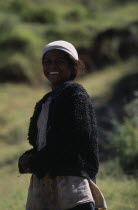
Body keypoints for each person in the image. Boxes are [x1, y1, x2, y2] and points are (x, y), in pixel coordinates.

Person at [18, 40, 107, 210]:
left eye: (59, 62)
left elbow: (75, 137)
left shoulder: (75, 93)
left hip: (71, 181)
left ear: (72, 66)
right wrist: (27, 158)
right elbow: (40, 143)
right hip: (45, 182)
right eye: (47, 62)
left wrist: (37, 161)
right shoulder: (44, 102)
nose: (52, 66)